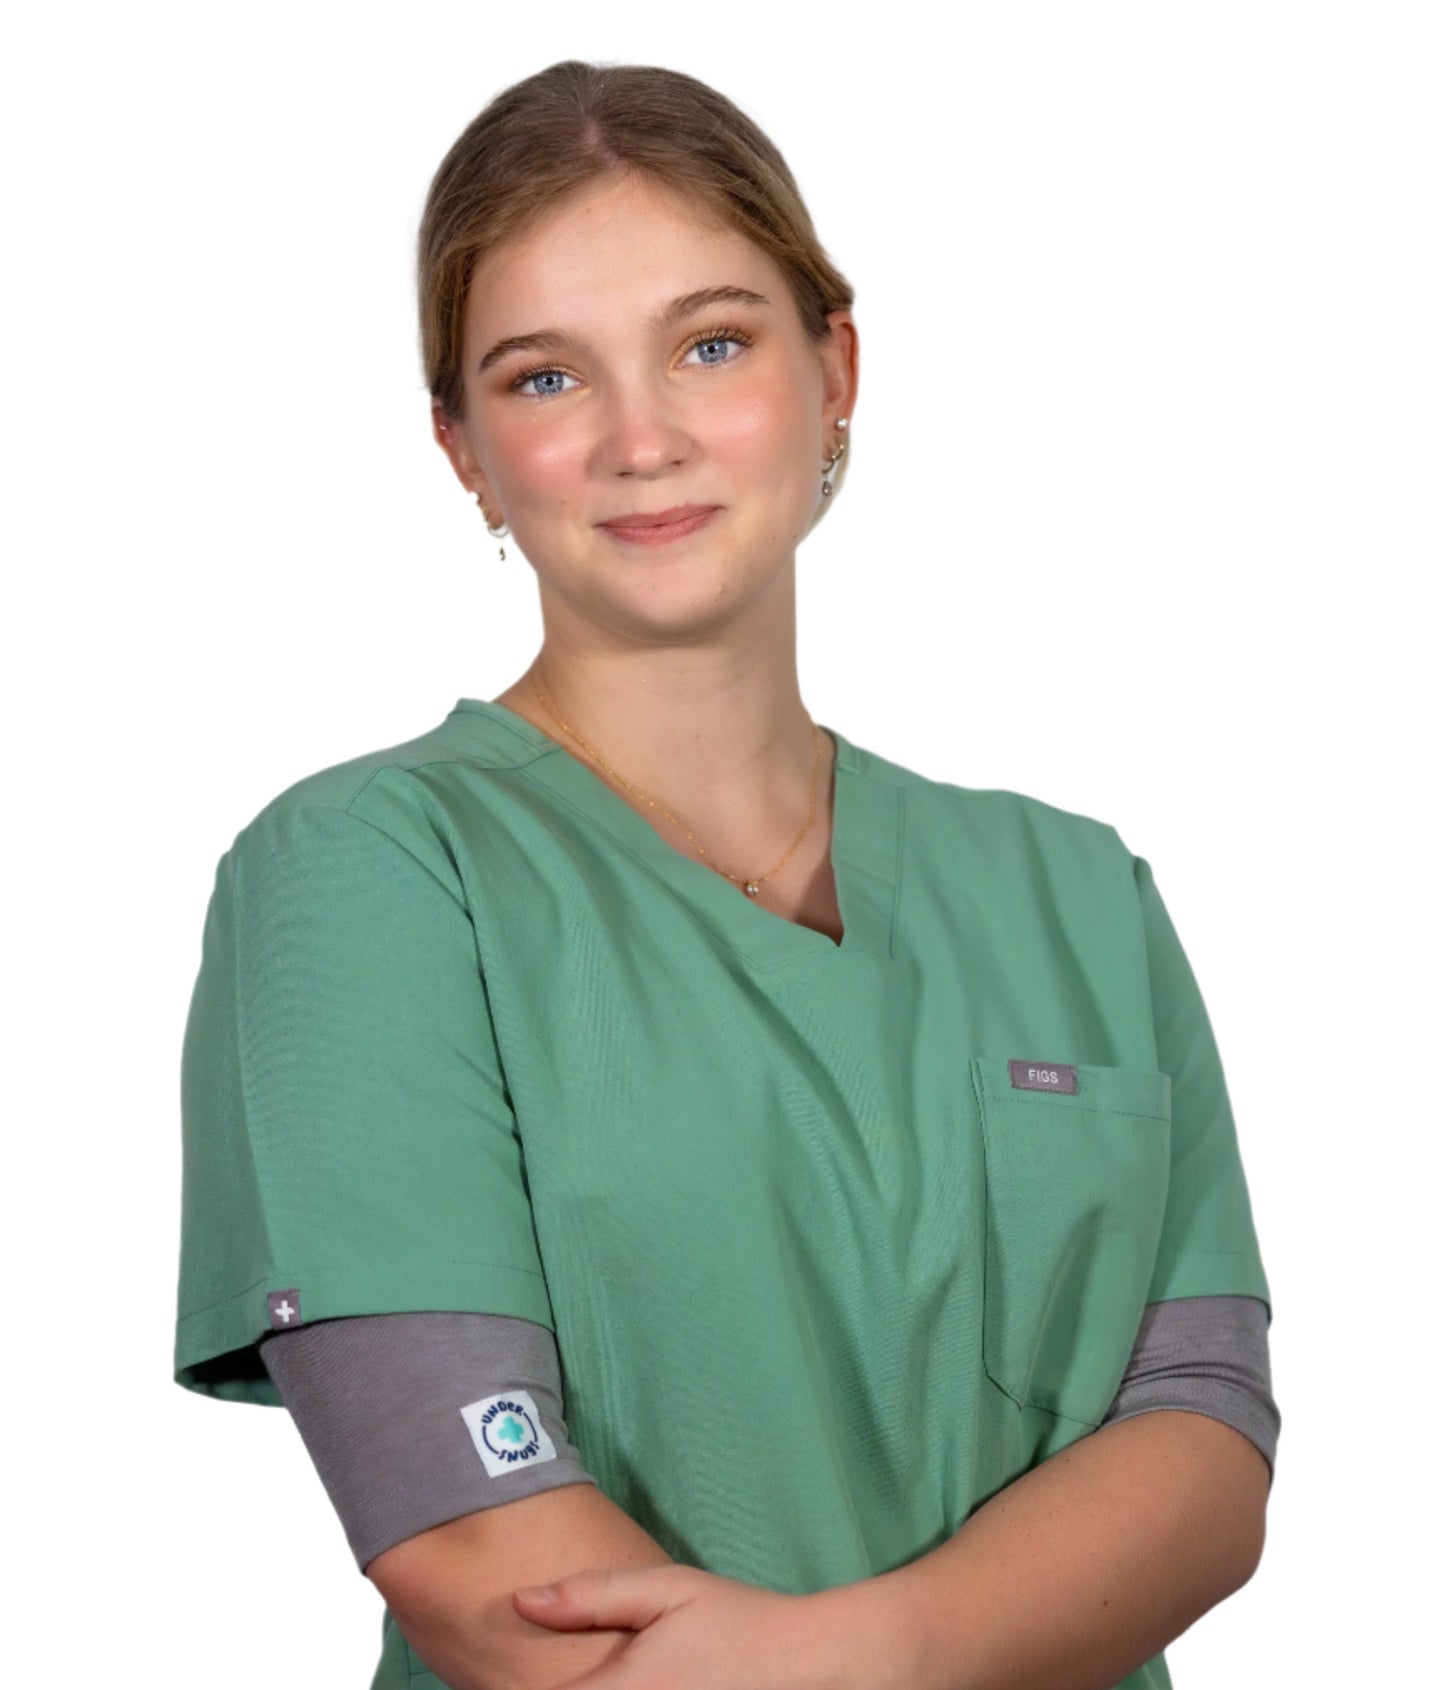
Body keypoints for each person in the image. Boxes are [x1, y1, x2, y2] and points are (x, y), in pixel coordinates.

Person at [172, 59, 1280, 1690]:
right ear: (462, 450)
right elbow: (483, 1559)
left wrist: (873, 1647)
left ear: (835, 368)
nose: (642, 438)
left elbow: (1204, 1448)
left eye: (710, 344)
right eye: (544, 379)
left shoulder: (1075, 893)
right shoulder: (367, 882)